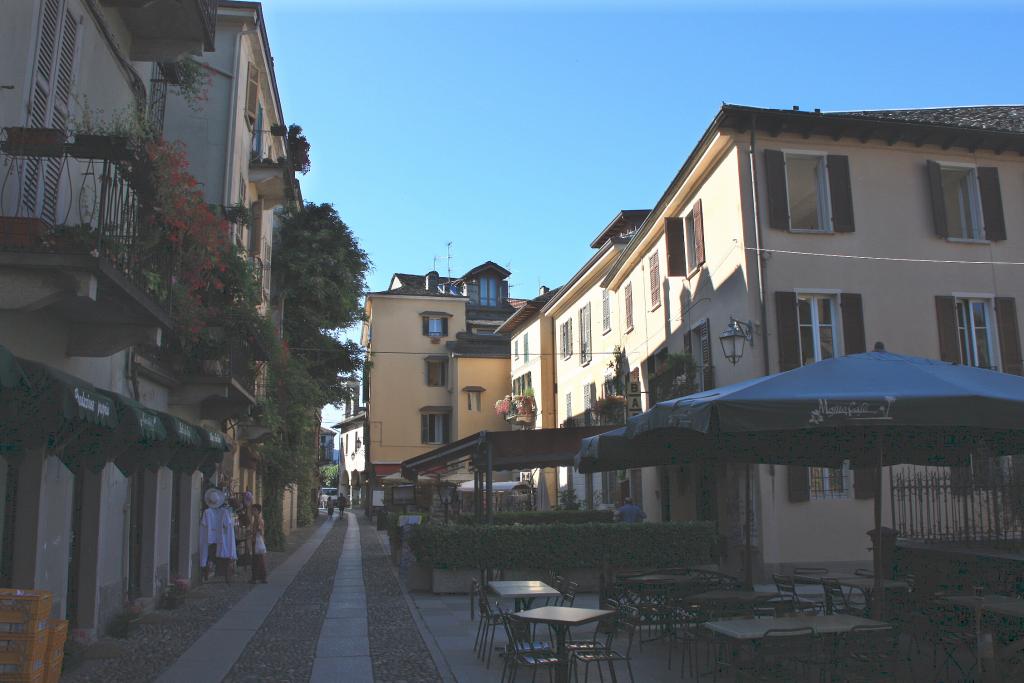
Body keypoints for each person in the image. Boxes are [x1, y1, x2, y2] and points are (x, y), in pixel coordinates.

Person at [249, 504, 268, 583]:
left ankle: (258, 578)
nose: (253, 512)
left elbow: (260, 531)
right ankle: (259, 577)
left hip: (257, 542)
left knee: (258, 560)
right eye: (252, 510)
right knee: (257, 560)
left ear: (258, 511)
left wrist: (253, 532)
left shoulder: (259, 520)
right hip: (256, 541)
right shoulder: (255, 519)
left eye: (254, 510)